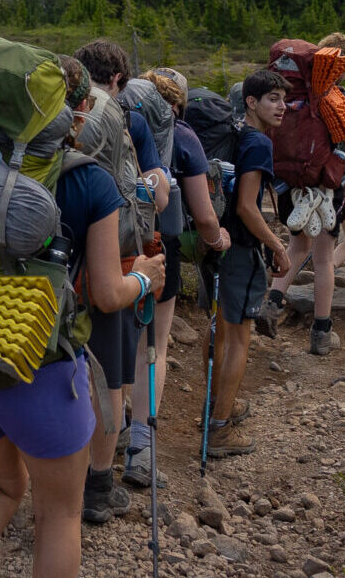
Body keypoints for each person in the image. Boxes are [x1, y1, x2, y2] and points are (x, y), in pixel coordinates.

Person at [0, 71, 165, 578]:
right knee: (58, 513)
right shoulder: (88, 180)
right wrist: (145, 280)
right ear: (69, 112)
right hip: (42, 369)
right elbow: (107, 295)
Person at [70, 39, 167, 524]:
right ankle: (97, 485)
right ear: (116, 83)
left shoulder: (50, 122)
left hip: (46, 257)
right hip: (107, 256)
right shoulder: (116, 120)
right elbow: (154, 198)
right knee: (107, 373)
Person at [131, 67, 225, 486]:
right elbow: (203, 215)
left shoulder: (114, 122)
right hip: (157, 247)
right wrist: (217, 238)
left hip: (110, 245)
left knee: (110, 344)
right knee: (153, 348)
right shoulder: (183, 137)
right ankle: (140, 448)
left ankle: (110, 433)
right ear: (179, 103)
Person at [205, 67, 292, 455]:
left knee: (222, 331)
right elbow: (246, 207)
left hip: (216, 245)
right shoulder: (258, 143)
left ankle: (218, 404)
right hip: (240, 248)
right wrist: (277, 245)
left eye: (284, 100)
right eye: (273, 99)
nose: (282, 107)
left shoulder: (236, 132)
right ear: (251, 102)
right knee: (240, 338)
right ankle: (220, 429)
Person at [265, 37, 345, 358]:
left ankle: (270, 303)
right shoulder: (333, 100)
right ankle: (321, 333)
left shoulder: (282, 97)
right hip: (326, 188)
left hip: (287, 183)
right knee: (323, 259)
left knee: (296, 247)